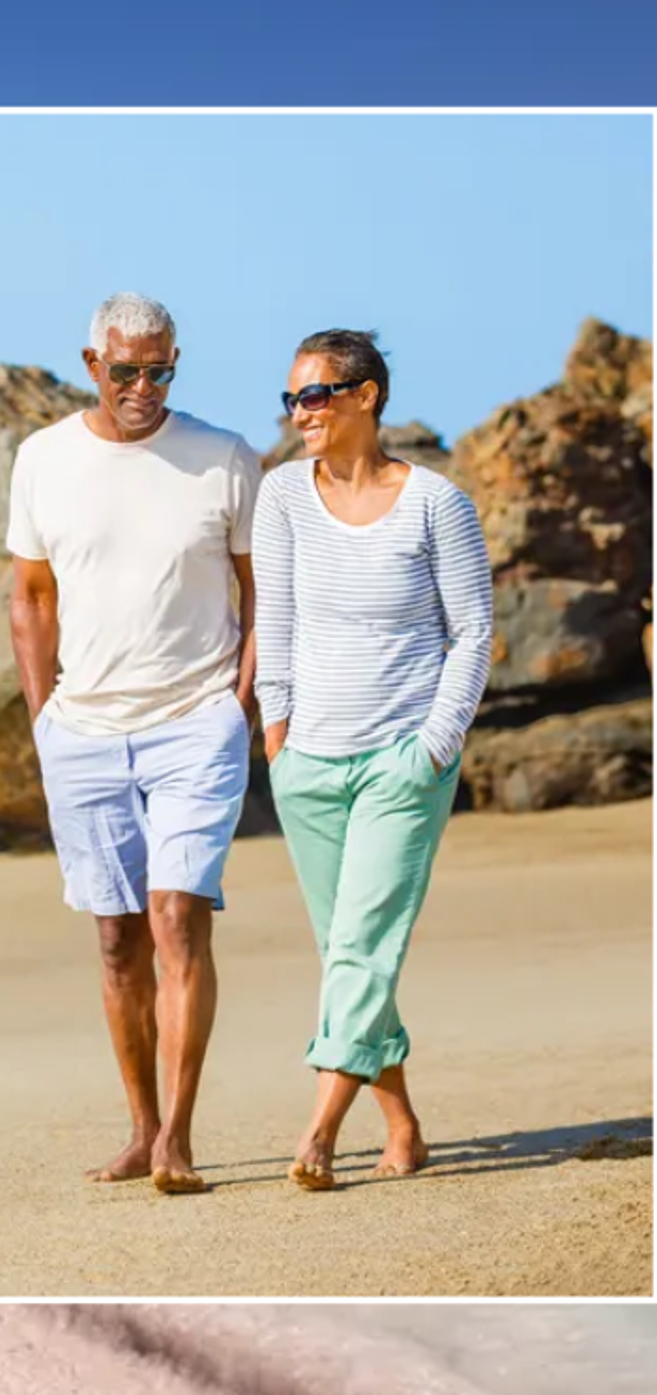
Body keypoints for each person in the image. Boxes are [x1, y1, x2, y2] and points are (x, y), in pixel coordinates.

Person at [6, 291, 260, 1195]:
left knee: (176, 917)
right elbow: (31, 595)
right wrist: (43, 718)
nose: (143, 387)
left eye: (160, 371)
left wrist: (239, 701)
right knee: (118, 940)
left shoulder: (225, 459)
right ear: (92, 365)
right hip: (81, 732)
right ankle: (141, 1128)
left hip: (195, 723)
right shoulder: (42, 459)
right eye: (126, 370)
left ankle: (178, 1140)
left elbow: (262, 589)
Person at [253, 330, 493, 1192]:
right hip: (309, 765)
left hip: (402, 763)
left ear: (366, 396)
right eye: (292, 398)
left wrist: (435, 746)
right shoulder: (283, 495)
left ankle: (319, 1130)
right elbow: (274, 619)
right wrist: (277, 735)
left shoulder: (436, 504)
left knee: (359, 947)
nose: (300, 413)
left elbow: (473, 633)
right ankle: (403, 1125)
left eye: (315, 395)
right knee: (351, 954)